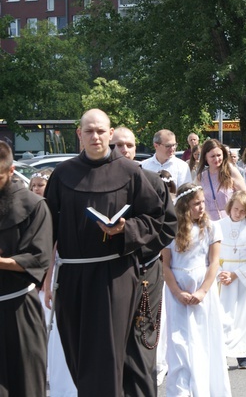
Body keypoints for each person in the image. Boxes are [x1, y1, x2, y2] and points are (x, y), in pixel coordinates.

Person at [44, 109, 166, 397]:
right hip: (72, 276)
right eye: (89, 131)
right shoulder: (63, 174)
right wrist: (48, 277)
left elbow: (156, 218)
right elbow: (48, 229)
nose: (95, 136)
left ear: (110, 134)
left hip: (115, 275)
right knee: (78, 354)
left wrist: (125, 229)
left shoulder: (131, 173)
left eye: (101, 131)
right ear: (79, 135)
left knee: (107, 355)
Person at [111, 126, 178, 397]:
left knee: (142, 345)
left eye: (128, 145)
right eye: (117, 145)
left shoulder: (153, 181)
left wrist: (135, 244)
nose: (123, 150)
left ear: (136, 148)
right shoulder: (103, 182)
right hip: (111, 274)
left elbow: (168, 227)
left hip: (146, 271)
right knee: (112, 345)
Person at [162, 183, 232, 396]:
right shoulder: (170, 229)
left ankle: (205, 390)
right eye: (196, 204)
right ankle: (181, 392)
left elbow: (213, 263)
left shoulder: (211, 227)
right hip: (177, 290)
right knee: (179, 345)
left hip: (203, 290)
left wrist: (202, 291)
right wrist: (176, 291)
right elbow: (164, 264)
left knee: (203, 342)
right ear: (184, 206)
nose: (201, 207)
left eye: (203, 202)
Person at [0, 141, 53, 397]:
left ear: (11, 171)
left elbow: (38, 258)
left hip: (19, 308)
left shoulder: (34, 205)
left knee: (27, 385)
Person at [217, 191, 246, 369]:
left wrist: (235, 274)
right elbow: (210, 254)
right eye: (235, 209)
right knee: (223, 316)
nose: (238, 213)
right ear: (230, 207)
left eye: (243, 211)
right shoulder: (218, 226)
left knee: (243, 317)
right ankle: (221, 353)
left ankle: (242, 354)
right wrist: (220, 272)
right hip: (222, 277)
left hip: (242, 279)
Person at [196, 139, 246, 220]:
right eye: (212, 156)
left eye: (219, 155)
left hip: (230, 220)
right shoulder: (201, 176)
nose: (216, 159)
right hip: (209, 222)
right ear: (205, 157)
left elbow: (244, 195)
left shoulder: (231, 171)